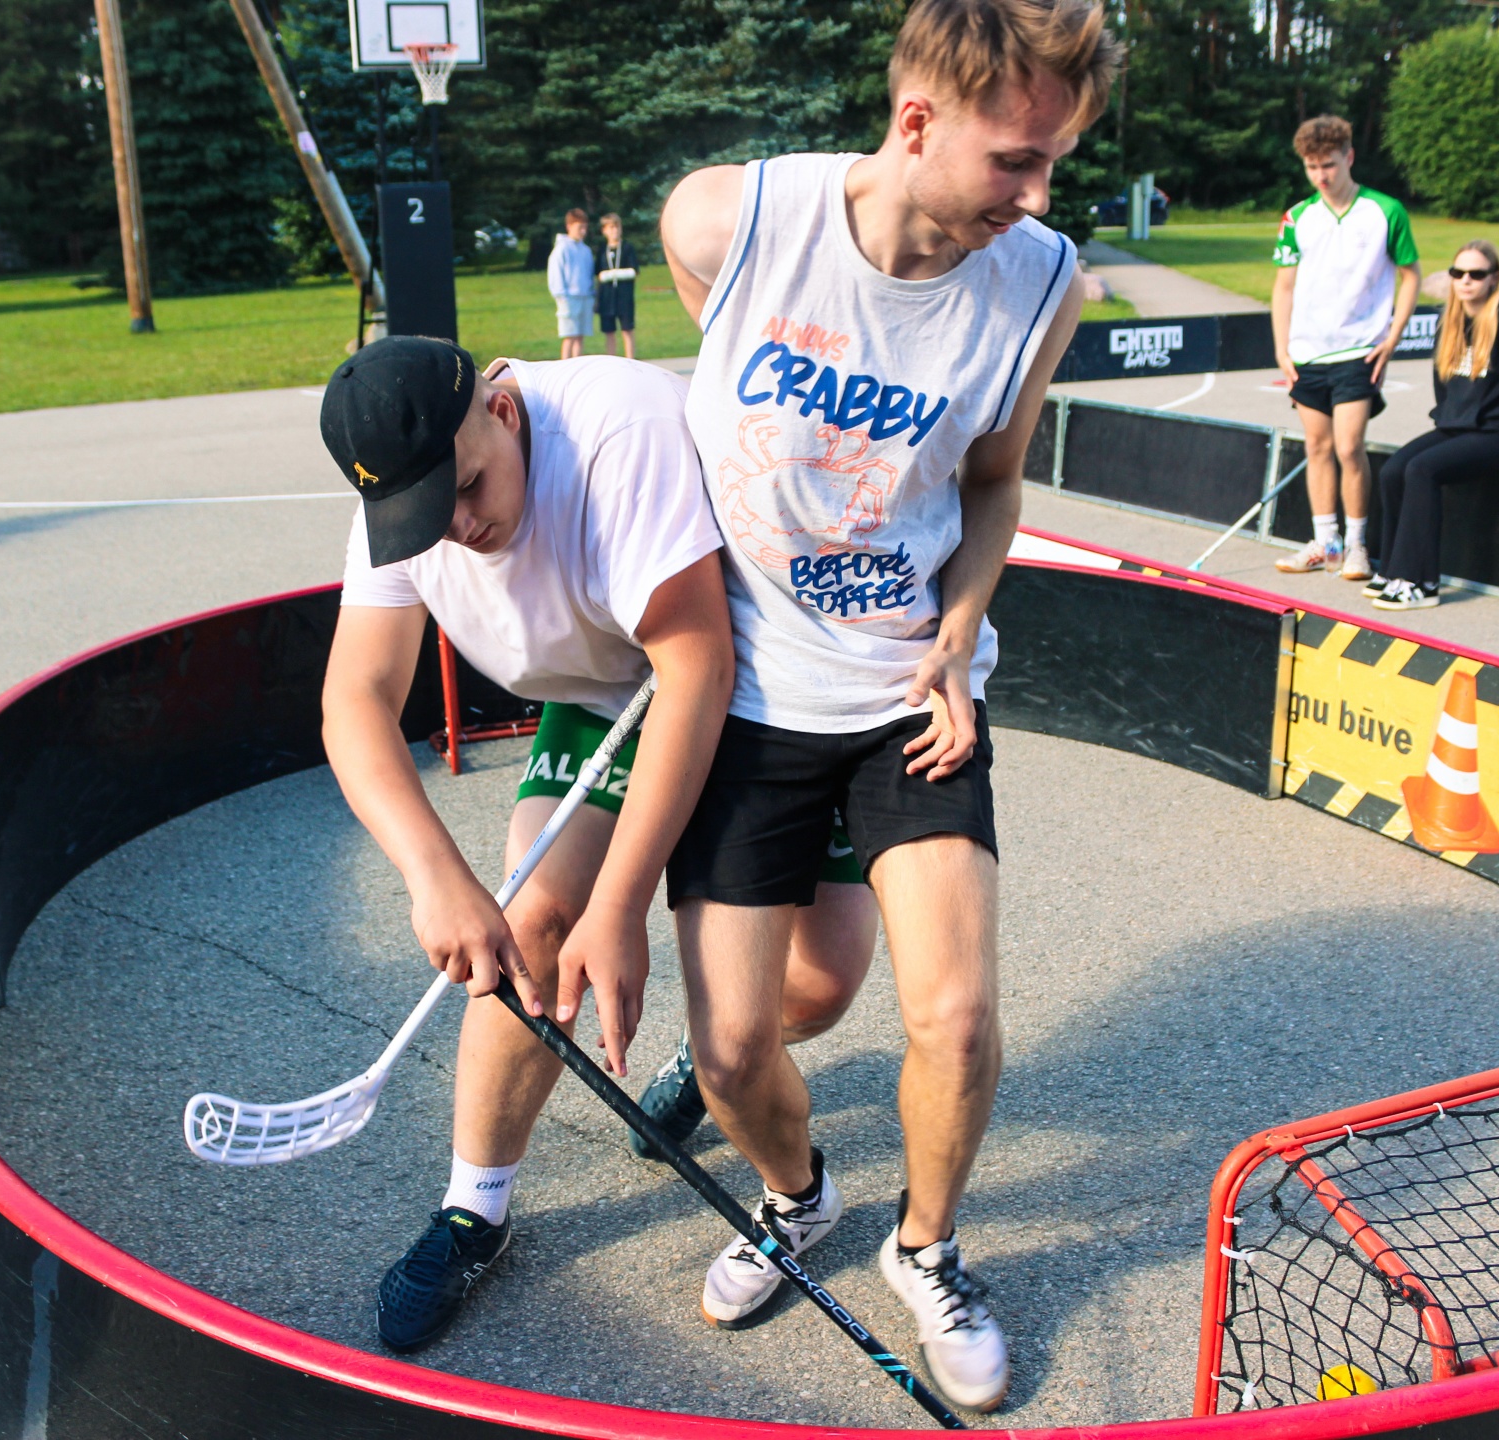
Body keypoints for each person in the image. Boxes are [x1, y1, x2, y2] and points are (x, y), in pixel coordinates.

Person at [655, 0, 1113, 1411]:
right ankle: (799, 1199)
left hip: (914, 690)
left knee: (956, 1017)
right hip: (750, 696)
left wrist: (963, 624)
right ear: (917, 122)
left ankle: (928, 1248)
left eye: (1054, 163)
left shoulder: (1043, 283)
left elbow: (993, 483)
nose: (1040, 197)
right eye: (1016, 161)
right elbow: (712, 406)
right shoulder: (729, 222)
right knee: (735, 1048)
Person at [319, 338, 870, 1354]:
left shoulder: (616, 427)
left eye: (467, 489)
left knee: (819, 985)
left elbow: (698, 666)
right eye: (426, 515)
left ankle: (711, 1065)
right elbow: (354, 698)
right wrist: (434, 876)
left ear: (502, 410)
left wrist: (621, 906)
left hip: (757, 692)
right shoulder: (406, 502)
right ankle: (474, 1211)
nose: (458, 527)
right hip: (612, 694)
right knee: (529, 923)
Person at [1270, 114, 1421, 582]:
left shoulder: (1385, 211)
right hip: (1307, 352)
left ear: (1349, 157)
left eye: (1329, 165)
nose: (1321, 176)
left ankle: (1357, 546)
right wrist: (1282, 348)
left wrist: (1393, 337)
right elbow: (1284, 286)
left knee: (1349, 446)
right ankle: (1326, 544)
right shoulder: (1297, 216)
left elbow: (1411, 274)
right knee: (1317, 446)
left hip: (1359, 351)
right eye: (1312, 167)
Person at [1366, 240, 1499, 612]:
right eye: (1458, 273)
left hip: (1496, 434)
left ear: (1494, 278)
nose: (1466, 281)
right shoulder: (1450, 321)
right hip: (1456, 426)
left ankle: (1421, 581)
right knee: (1393, 470)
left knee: (1422, 469)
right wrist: (1446, 419)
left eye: (1476, 274)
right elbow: (1443, 385)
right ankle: (1392, 570)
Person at [546, 209, 595, 360]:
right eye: (580, 227)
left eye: (585, 227)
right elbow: (555, 275)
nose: (583, 231)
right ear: (569, 226)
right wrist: (561, 297)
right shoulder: (562, 249)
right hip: (568, 298)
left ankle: (577, 365)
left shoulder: (586, 250)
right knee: (569, 336)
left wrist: (591, 294)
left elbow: (589, 274)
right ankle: (566, 366)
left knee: (580, 336)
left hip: (585, 297)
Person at [595, 213, 638, 360]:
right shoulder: (602, 250)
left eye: (617, 227)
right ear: (604, 230)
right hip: (607, 297)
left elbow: (634, 271)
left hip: (624, 296)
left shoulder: (627, 248)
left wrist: (614, 274)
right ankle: (612, 361)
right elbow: (598, 273)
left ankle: (631, 361)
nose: (615, 230)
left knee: (627, 330)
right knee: (609, 331)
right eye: (611, 227)